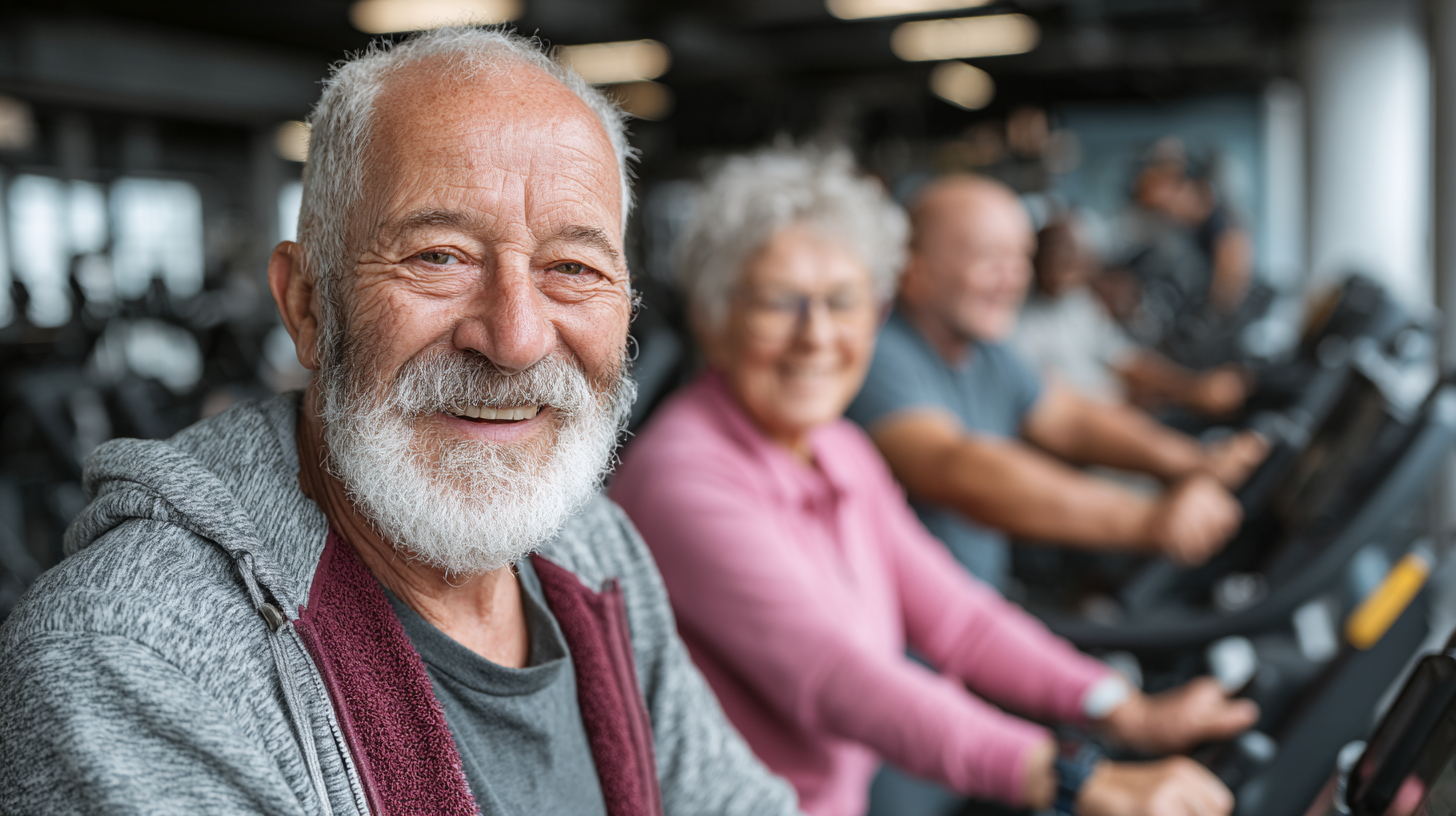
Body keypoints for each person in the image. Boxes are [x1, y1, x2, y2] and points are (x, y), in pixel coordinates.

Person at [0, 29, 799, 816]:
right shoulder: (132, 657)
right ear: (308, 305)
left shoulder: (592, 546)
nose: (516, 339)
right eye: (439, 257)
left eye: (572, 268)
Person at [611, 146, 1258, 816]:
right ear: (715, 320)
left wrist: (1121, 708)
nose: (817, 335)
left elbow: (960, 620)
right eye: (780, 302)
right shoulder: (683, 477)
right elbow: (840, 678)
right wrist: (1078, 780)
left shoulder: (836, 448)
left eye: (843, 301)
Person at [845, 175, 1267, 592]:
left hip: (979, 609)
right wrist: (1147, 520)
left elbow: (1068, 418)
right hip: (911, 646)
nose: (1012, 277)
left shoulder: (987, 349)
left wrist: (1192, 460)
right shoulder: (880, 356)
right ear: (914, 272)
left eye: (1020, 257)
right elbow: (955, 467)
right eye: (988, 258)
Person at [1014, 215, 1251, 417]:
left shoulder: (1077, 303)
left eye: (1074, 252)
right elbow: (1058, 410)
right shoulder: (1016, 323)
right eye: (1054, 249)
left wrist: (1193, 389)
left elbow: (1125, 359)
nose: (1063, 259)